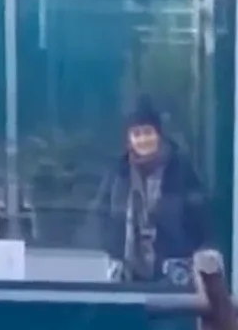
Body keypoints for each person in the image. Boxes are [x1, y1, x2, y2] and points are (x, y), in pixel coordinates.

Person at [86, 97, 210, 286]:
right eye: (136, 134)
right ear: (129, 139)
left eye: (147, 132)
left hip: (173, 273)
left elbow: (200, 217)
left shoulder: (180, 168)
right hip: (126, 273)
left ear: (158, 134)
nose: (143, 139)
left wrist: (185, 250)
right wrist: (114, 249)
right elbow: (100, 214)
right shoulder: (118, 172)